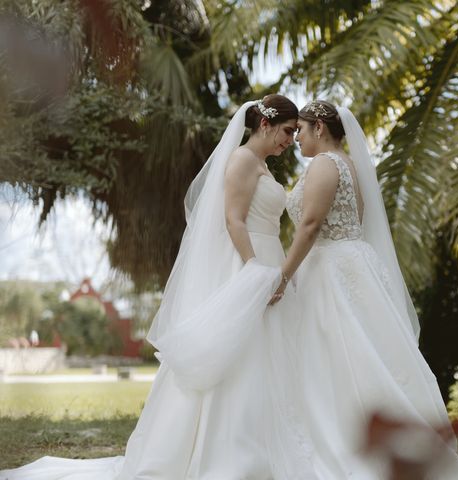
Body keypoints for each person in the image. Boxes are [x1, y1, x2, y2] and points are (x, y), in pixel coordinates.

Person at [0, 94, 315, 479]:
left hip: (265, 261)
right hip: (246, 265)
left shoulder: (262, 166)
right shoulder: (242, 161)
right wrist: (254, 274)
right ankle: (226, 450)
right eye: (287, 131)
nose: (290, 140)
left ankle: (264, 443)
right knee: (237, 356)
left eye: (294, 133)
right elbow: (233, 221)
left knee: (266, 355)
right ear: (265, 124)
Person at [269, 100, 458, 479]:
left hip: (331, 269)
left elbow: (312, 223)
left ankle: (347, 441)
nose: (296, 137)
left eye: (300, 128)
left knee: (339, 355)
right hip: (354, 263)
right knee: (368, 352)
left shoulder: (324, 164)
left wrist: (284, 274)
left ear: (319, 128)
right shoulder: (349, 164)